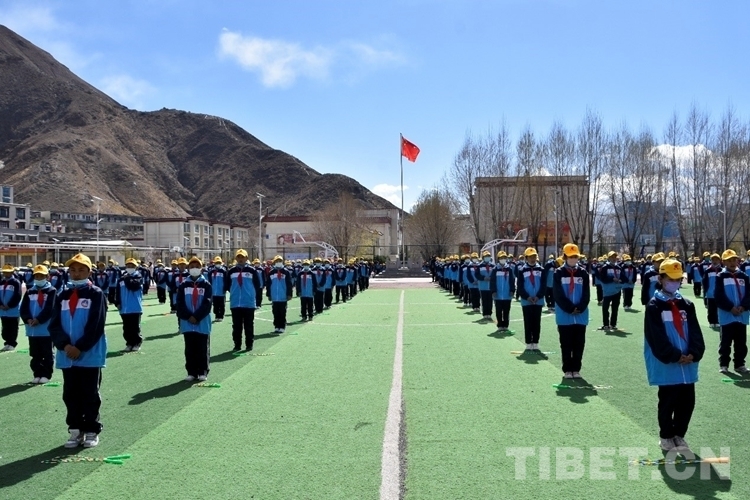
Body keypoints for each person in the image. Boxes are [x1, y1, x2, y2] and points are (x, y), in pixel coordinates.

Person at [644, 259, 705, 452]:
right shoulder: (654, 306)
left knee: (687, 402)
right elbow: (656, 337)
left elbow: (695, 332)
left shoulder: (686, 304)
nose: (675, 283)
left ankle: (679, 434)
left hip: (688, 363)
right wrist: (674, 355)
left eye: (678, 279)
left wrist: (694, 353)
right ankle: (666, 435)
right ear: (661, 279)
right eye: (670, 279)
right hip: (668, 364)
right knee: (668, 401)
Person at [48, 253, 108, 449]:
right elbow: (54, 324)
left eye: (81, 270)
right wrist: (65, 345)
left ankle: (91, 429)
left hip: (89, 355)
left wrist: (80, 347)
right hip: (67, 356)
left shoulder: (96, 294)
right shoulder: (62, 295)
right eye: (73, 270)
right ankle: (75, 430)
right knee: (70, 394)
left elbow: (96, 325)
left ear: (89, 272)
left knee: (90, 393)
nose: (76, 273)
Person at [553, 244, 590, 379]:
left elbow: (586, 293)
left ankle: (576, 369)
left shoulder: (583, 273)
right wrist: (569, 308)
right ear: (565, 257)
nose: (574, 259)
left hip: (581, 315)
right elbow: (558, 294)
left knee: (579, 343)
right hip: (564, 315)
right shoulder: (558, 273)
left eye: (575, 256)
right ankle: (568, 369)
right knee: (566, 343)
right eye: (571, 256)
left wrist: (580, 307)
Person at [713, 249, 750, 374]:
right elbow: (718, 295)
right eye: (729, 260)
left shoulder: (744, 276)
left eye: (734, 260)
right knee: (725, 341)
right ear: (723, 262)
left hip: (741, 315)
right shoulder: (720, 277)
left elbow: (748, 294)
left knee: (741, 342)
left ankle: (740, 364)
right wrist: (730, 307)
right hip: (727, 315)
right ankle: (724, 364)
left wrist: (743, 306)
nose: (732, 262)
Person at [20, 264, 58, 383]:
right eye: (37, 276)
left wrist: (39, 319)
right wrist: (28, 319)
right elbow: (24, 308)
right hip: (32, 330)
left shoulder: (52, 291)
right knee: (35, 354)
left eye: (42, 276)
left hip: (46, 330)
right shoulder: (30, 291)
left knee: (47, 353)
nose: (39, 278)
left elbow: (50, 309)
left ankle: (46, 374)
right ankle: (37, 373)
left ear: (47, 276)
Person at [176, 257, 213, 381]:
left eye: (197, 266)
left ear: (201, 268)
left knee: (202, 348)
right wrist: (188, 316)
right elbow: (180, 303)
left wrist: (196, 316)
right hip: (187, 323)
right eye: (192, 267)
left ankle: (203, 371)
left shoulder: (206, 285)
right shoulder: (183, 285)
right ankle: (191, 372)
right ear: (188, 268)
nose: (194, 269)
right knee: (190, 349)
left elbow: (207, 304)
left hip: (202, 322)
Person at [226, 249, 261, 351]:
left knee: (249, 325)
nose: (240, 259)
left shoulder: (252, 271)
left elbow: (257, 285)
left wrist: (252, 296)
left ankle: (249, 344)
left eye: (243, 257)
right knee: (236, 325)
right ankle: (237, 344)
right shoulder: (231, 271)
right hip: (235, 302)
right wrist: (234, 292)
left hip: (248, 302)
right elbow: (227, 285)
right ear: (236, 258)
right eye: (239, 257)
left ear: (246, 258)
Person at [517, 247, 546, 351]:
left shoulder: (541, 270)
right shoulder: (522, 270)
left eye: (534, 256)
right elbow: (520, 286)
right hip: (526, 301)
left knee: (537, 322)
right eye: (530, 257)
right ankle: (529, 342)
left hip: (538, 300)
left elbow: (543, 285)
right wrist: (527, 297)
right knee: (528, 322)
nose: (532, 259)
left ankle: (536, 342)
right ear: (526, 258)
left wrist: (538, 296)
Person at [114, 258, 144, 352]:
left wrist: (127, 278)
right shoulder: (121, 279)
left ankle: (137, 343)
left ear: (136, 267)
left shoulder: (138, 277)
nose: (130, 267)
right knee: (126, 328)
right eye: (128, 265)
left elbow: (133, 286)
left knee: (135, 327)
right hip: (124, 308)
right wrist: (117, 302)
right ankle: (129, 343)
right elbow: (117, 291)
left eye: (132, 266)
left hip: (135, 307)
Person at [266, 255, 293, 333]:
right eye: (277, 261)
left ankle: (282, 326)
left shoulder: (286, 272)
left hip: (283, 296)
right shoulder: (271, 272)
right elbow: (268, 284)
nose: (278, 262)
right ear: (274, 262)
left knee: (282, 312)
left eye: (280, 261)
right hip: (274, 296)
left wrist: (289, 294)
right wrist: (269, 294)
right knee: (275, 312)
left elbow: (289, 284)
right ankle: (276, 326)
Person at [490, 251, 515, 332]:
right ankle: (500, 325)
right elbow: (492, 281)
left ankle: (506, 325)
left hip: (507, 295)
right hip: (498, 295)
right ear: (498, 259)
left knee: (506, 311)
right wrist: (493, 291)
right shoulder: (495, 269)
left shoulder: (509, 269)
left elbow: (512, 281)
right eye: (501, 258)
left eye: (504, 258)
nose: (503, 259)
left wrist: (512, 290)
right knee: (498, 311)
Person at [598, 251, 622, 331]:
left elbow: (623, 277)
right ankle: (606, 324)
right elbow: (603, 279)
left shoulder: (619, 268)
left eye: (615, 257)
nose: (614, 259)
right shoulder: (604, 267)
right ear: (608, 258)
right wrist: (612, 279)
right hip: (607, 291)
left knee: (615, 309)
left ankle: (613, 324)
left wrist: (622, 280)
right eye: (612, 257)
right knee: (605, 309)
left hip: (617, 291)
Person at [0, 263, 22, 351]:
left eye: (8, 272)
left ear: (12, 272)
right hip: (3, 311)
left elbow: (18, 295)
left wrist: (9, 305)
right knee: (5, 329)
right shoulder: (1, 282)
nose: (6, 274)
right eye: (5, 272)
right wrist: (0, 305)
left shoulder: (16, 282)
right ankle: (7, 342)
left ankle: (12, 343)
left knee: (13, 327)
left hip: (13, 310)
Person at [702, 253, 722, 328]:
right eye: (713, 259)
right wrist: (705, 291)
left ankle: (717, 321)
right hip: (710, 293)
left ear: (719, 260)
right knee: (711, 309)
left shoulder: (721, 270)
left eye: (716, 259)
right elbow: (705, 282)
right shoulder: (708, 270)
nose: (715, 261)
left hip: (719, 294)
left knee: (718, 308)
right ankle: (711, 321)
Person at [476, 250, 495, 320]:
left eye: (488, 256)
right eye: (486, 257)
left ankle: (489, 313)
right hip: (483, 286)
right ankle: (485, 313)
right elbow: (477, 275)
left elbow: (495, 275)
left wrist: (491, 278)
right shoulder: (479, 266)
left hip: (490, 286)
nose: (487, 258)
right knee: (484, 300)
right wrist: (483, 278)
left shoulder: (493, 266)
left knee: (490, 300)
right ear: (483, 257)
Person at [208, 256, 227, 322]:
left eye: (219, 262)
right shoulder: (211, 271)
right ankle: (216, 315)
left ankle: (221, 316)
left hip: (221, 291)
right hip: (214, 291)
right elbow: (209, 281)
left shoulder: (223, 271)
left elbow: (226, 280)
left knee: (221, 304)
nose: (218, 264)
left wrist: (225, 288)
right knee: (215, 305)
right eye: (216, 263)